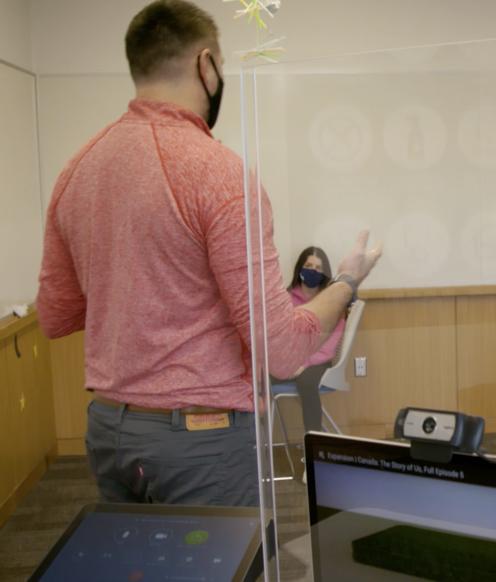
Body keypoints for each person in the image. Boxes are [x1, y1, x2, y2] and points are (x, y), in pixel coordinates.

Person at [35, 0, 382, 507]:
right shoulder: (220, 176)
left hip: (110, 431)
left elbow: (55, 315)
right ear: (206, 65)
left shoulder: (76, 171)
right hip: (201, 440)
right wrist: (346, 282)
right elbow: (281, 351)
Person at [274, 247, 348, 433]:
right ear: (300, 268)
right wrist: (289, 362)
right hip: (290, 360)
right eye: (308, 265)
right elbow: (280, 337)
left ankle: (314, 440)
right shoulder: (286, 299)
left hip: (318, 360)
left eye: (318, 267)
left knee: (307, 383)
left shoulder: (333, 302)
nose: (312, 270)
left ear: (325, 273)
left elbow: (329, 346)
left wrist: (304, 363)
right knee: (258, 378)